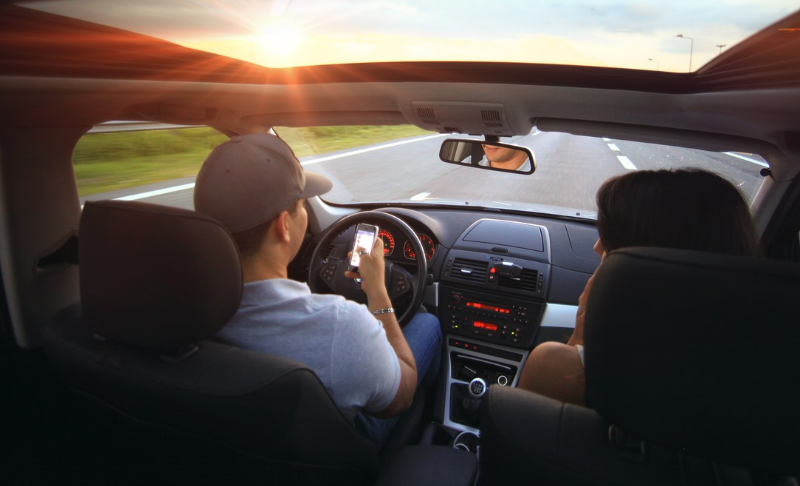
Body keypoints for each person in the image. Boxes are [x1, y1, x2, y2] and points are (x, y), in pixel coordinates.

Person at [193, 133, 441, 446]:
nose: (306, 215)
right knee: (427, 324)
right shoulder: (341, 325)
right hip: (335, 453)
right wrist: (378, 291)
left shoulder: (173, 309)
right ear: (284, 225)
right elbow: (402, 395)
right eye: (301, 206)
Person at [517, 168, 762, 406]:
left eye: (612, 237)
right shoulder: (764, 355)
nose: (598, 247)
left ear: (657, 253)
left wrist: (581, 340)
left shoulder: (562, 367)